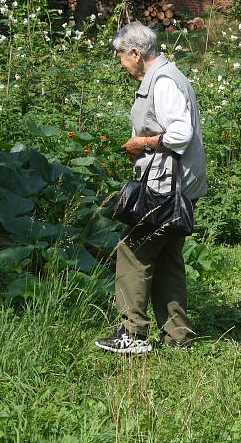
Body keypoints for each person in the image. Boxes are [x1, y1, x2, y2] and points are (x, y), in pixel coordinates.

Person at [96, 21, 207, 355]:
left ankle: (133, 334)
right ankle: (178, 336)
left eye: (121, 56)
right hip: (178, 188)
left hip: (165, 189)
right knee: (169, 258)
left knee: (132, 253)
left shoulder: (162, 83)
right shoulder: (168, 76)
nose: (120, 63)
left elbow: (180, 134)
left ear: (135, 52)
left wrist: (142, 142)